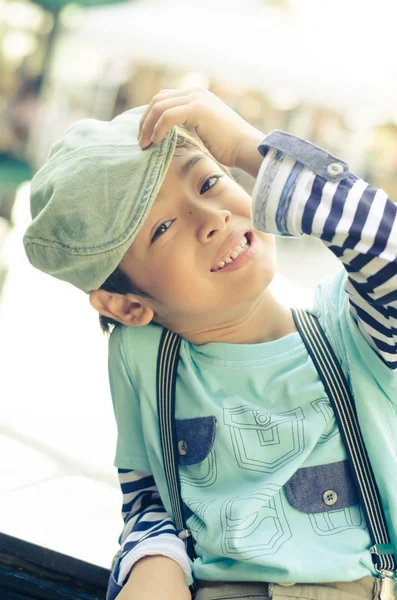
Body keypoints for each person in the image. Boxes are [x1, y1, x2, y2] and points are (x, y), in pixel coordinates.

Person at [23, 88, 397, 600]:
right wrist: (155, 558)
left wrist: (249, 147)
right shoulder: (146, 360)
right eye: (162, 227)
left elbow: (382, 241)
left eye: (209, 180)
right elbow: (148, 496)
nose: (212, 216)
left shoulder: (358, 329)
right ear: (127, 306)